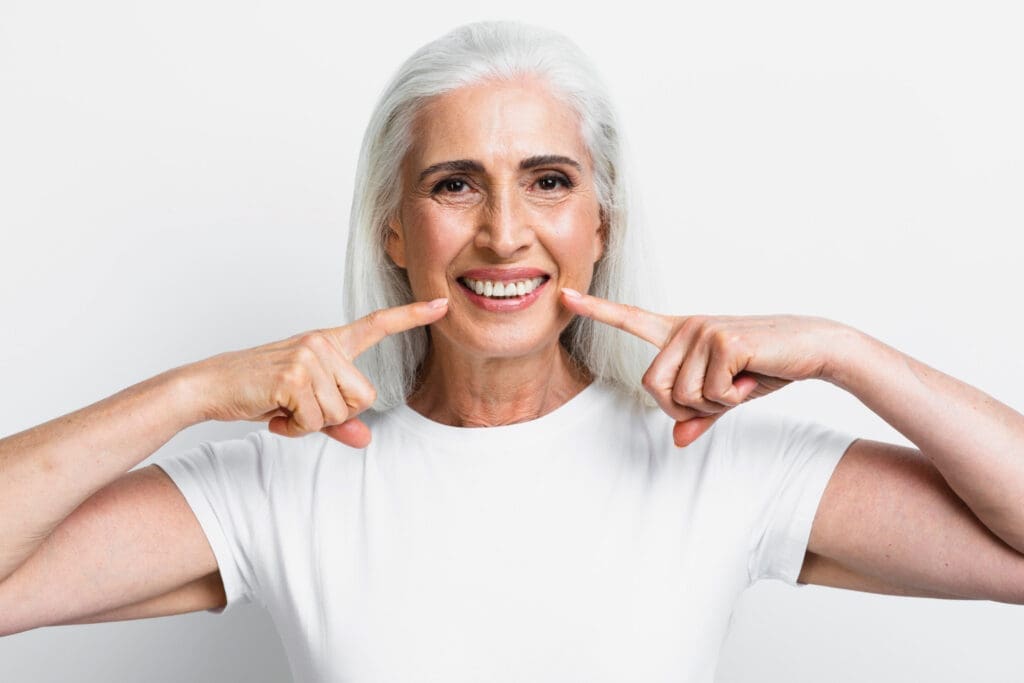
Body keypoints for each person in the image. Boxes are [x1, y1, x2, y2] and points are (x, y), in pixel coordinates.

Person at [1, 19, 1023, 682]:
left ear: (601, 221)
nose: (501, 231)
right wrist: (190, 389)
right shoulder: (287, 482)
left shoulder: (712, 459)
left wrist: (845, 351)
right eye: (454, 184)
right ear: (394, 231)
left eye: (547, 180)